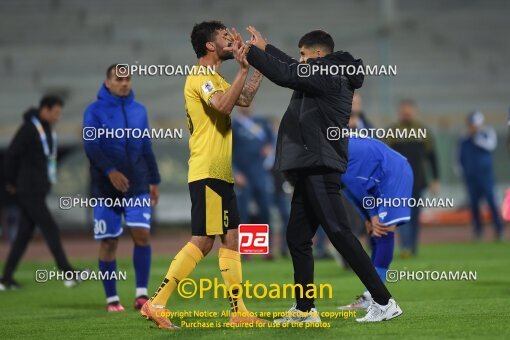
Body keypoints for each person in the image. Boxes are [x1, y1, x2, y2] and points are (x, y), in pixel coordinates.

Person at [241, 27, 402, 322]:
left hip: (319, 163)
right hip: (309, 164)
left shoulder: (329, 74)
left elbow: (287, 74)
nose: (300, 59)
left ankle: (384, 301)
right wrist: (266, 48)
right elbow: (292, 67)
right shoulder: (323, 71)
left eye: (304, 54)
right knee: (297, 238)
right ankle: (305, 310)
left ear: (317, 55)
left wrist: (248, 51)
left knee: (339, 233)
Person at [141, 21, 266, 329]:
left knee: (231, 239)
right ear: (210, 45)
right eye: (225, 36)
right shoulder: (200, 77)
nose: (231, 39)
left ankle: (239, 312)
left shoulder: (216, 77)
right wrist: (241, 69)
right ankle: (156, 303)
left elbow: (245, 99)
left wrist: (258, 63)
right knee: (203, 241)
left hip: (220, 172)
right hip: (207, 170)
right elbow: (223, 106)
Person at [83, 64, 161, 311]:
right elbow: (91, 145)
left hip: (137, 184)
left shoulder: (139, 110)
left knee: (142, 235)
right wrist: (110, 171)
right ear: (108, 82)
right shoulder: (94, 111)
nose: (125, 83)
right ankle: (112, 299)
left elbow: (146, 146)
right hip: (105, 187)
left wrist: (154, 180)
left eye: (128, 78)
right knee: (109, 241)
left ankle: (141, 295)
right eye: (119, 79)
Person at [1, 96, 80, 290]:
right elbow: (11, 155)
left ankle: (6, 279)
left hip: (37, 190)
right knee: (50, 227)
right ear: (44, 110)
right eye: (56, 112)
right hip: (28, 190)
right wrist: (11, 181)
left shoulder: (46, 129)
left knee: (23, 235)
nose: (58, 117)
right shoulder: (29, 129)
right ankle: (68, 273)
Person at [338, 134, 413, 310]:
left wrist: (372, 214)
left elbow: (353, 183)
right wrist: (367, 217)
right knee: (374, 232)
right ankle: (370, 294)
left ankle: (375, 297)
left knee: (383, 229)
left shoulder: (331, 151)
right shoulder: (329, 147)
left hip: (394, 172)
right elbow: (348, 189)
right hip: (378, 176)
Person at [386, 99, 439, 257]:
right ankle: (405, 247)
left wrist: (435, 179)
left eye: (409, 111)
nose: (406, 114)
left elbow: (432, 157)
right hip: (398, 182)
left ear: (414, 112)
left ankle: (412, 246)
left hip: (418, 180)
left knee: (415, 215)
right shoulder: (392, 131)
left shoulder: (424, 131)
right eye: (404, 112)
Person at [232, 106, 274, 258]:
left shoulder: (261, 122)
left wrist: (270, 147)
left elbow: (272, 139)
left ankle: (266, 250)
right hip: (244, 176)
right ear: (237, 106)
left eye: (249, 102)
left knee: (265, 211)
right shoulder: (233, 126)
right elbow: (226, 151)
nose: (247, 106)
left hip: (260, 174)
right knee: (244, 213)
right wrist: (235, 172)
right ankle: (246, 250)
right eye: (243, 103)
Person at [458, 111, 503, 240]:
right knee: (473, 204)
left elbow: (491, 145)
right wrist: (462, 172)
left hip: (485, 176)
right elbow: (458, 157)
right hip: (471, 177)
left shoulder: (487, 133)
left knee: (491, 201)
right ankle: (478, 230)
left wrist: (476, 136)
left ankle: (498, 228)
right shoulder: (464, 138)